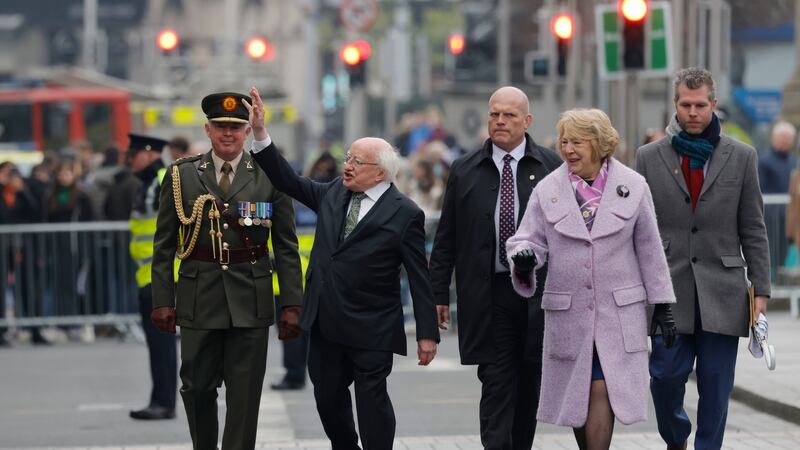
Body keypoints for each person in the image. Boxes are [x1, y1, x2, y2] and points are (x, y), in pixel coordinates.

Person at [247, 86, 440, 450]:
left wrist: (427, 332)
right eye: (348, 157)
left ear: (380, 172)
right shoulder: (334, 192)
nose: (347, 165)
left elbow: (419, 276)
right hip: (327, 322)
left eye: (357, 161)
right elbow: (288, 181)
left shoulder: (405, 214)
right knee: (327, 397)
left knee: (371, 400)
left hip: (373, 325)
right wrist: (260, 133)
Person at [506, 108, 677, 450]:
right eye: (564, 141)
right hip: (568, 312)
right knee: (578, 395)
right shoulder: (548, 189)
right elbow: (527, 239)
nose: (568, 149)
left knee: (602, 386)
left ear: (599, 144)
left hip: (619, 311)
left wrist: (662, 305)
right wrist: (523, 260)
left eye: (577, 141)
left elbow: (649, 249)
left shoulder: (632, 185)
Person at [150, 91, 304, 450]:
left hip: (250, 297)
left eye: (236, 127)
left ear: (248, 131)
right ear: (207, 129)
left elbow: (286, 244)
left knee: (245, 394)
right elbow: (163, 245)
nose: (229, 134)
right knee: (197, 387)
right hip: (198, 295)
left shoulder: (269, 175)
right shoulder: (181, 175)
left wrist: (293, 304)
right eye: (221, 126)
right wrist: (162, 299)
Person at [635, 67, 770, 450]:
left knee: (715, 385)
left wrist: (761, 290)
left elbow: (754, 227)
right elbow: (639, 228)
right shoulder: (649, 157)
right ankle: (676, 438)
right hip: (667, 290)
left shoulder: (742, 157)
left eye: (699, 105)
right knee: (664, 378)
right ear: (675, 104)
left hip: (723, 290)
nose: (692, 112)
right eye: (685, 105)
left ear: (713, 105)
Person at [429, 86, 561, 450]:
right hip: (489, 293)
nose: (500, 121)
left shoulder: (551, 167)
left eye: (509, 115)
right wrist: (438, 292)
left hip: (537, 294)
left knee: (529, 379)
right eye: (494, 114)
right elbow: (446, 238)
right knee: (497, 379)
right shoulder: (465, 169)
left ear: (527, 121)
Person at [126, 133, 178, 421]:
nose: (129, 160)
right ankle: (160, 398)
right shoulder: (148, 182)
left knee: (162, 345)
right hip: (149, 275)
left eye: (132, 155)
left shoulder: (163, 179)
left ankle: (164, 401)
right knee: (158, 344)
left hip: (161, 277)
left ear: (147, 154)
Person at [759, 121, 797, 276]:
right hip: (770, 216)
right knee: (772, 251)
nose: (785, 140)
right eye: (782, 137)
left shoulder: (795, 161)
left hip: (791, 217)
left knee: (787, 251)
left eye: (788, 137)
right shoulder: (763, 161)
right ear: (773, 138)